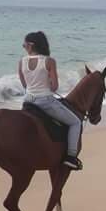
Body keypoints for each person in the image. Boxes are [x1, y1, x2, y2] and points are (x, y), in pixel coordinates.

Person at [18, 31, 83, 170]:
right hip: (45, 102)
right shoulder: (49, 61)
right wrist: (46, 83)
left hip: (28, 101)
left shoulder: (21, 62)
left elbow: (25, 85)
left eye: (24, 44)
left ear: (31, 45)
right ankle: (71, 157)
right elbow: (54, 87)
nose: (23, 47)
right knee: (76, 122)